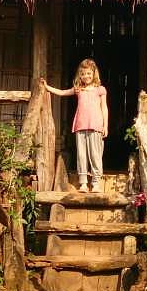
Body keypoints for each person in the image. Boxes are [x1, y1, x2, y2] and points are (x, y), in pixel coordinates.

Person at [40, 58, 108, 193]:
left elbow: (104, 108)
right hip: (80, 126)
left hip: (96, 126)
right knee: (82, 155)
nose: (86, 76)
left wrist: (105, 126)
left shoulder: (100, 89)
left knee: (95, 154)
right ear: (80, 75)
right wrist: (47, 87)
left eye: (88, 73)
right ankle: (83, 182)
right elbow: (62, 92)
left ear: (94, 73)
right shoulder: (78, 89)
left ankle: (95, 183)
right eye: (83, 74)